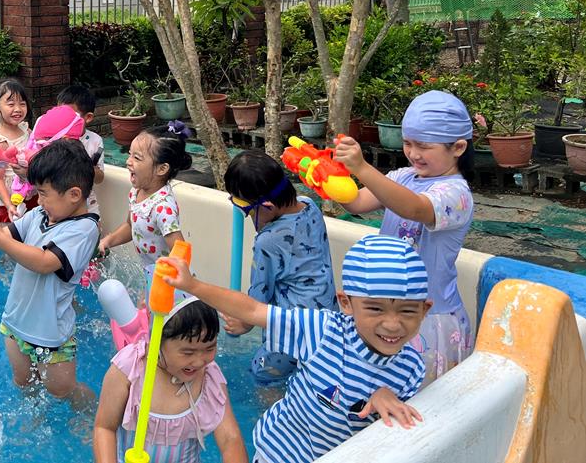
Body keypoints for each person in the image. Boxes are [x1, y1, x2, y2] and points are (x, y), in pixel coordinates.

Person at [162, 234, 431, 463]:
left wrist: (385, 397)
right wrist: (193, 285)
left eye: (407, 311)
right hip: (277, 454)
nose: (392, 324)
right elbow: (253, 310)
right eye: (375, 309)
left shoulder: (412, 369)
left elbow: (400, 438)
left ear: (424, 310)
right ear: (346, 303)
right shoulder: (323, 331)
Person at [0, 138, 100, 406]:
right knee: (24, 382)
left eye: (44, 193)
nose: (39, 199)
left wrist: (1, 241)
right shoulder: (40, 214)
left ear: (74, 194)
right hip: (16, 323)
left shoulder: (84, 229)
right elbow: (3, 234)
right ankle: (34, 418)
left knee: (62, 390)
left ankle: (88, 415)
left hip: (51, 335)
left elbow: (44, 262)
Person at [335, 89, 476, 383]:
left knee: (422, 400)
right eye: (408, 143)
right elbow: (357, 203)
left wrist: (362, 167)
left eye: (423, 146)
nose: (413, 153)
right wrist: (328, 179)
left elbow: (414, 208)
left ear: (458, 147)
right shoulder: (403, 176)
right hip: (387, 311)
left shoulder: (457, 194)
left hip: (428, 319)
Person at [223, 150, 337, 386]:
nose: (246, 216)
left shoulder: (269, 241)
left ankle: (274, 409)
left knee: (263, 375)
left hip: (290, 332)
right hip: (327, 321)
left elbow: (259, 296)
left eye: (246, 209)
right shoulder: (309, 206)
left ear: (266, 206)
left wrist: (243, 323)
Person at [94, 297, 247, 463]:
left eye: (209, 348)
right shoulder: (130, 368)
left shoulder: (208, 377)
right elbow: (104, 428)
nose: (199, 362)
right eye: (188, 353)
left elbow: (230, 439)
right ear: (157, 341)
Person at [98, 123, 192, 281]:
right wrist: (108, 241)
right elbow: (130, 226)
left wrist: (166, 282)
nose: (128, 161)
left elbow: (180, 253)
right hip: (150, 274)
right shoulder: (136, 192)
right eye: (130, 154)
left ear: (162, 169)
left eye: (137, 158)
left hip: (167, 281)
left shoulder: (162, 208)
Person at [0, 77, 33, 221]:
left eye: (22, 104)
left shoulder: (24, 128)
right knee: (10, 233)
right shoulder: (0, 142)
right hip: (11, 199)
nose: (18, 109)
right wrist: (8, 204)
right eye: (11, 104)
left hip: (31, 191)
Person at [56, 84, 106, 215]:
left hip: (88, 203)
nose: (64, 120)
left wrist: (87, 165)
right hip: (59, 202)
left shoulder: (95, 141)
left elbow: (100, 178)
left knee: (94, 226)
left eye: (70, 116)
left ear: (88, 117)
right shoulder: (54, 138)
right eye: (60, 114)